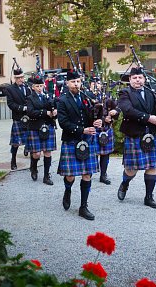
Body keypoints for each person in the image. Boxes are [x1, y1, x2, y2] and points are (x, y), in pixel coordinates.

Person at [116, 67, 156, 208]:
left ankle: (148, 197)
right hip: (134, 134)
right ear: (130, 80)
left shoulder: (152, 92)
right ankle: (125, 183)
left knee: (152, 166)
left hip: (150, 134)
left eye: (140, 77)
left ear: (144, 79)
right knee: (131, 169)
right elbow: (128, 110)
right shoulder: (125, 93)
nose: (138, 80)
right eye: (134, 78)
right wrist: (148, 118)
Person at [57, 71, 103, 220]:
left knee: (87, 174)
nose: (76, 84)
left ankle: (83, 207)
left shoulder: (86, 96)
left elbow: (93, 114)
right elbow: (63, 122)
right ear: (67, 83)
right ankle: (68, 190)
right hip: (72, 139)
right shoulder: (62, 100)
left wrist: (97, 121)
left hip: (87, 139)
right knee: (70, 175)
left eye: (78, 81)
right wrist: (81, 129)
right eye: (73, 82)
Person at [86, 77, 121, 185]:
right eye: (93, 83)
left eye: (98, 83)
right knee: (93, 153)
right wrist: (102, 119)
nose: (96, 85)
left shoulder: (108, 96)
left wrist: (114, 113)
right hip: (94, 129)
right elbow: (87, 113)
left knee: (105, 154)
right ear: (90, 85)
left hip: (106, 129)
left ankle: (103, 175)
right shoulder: (87, 96)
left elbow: (117, 108)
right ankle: (90, 172)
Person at [26, 74, 57, 185]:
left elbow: (53, 109)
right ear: (33, 87)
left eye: (41, 86)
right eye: (37, 86)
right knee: (37, 154)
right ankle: (33, 168)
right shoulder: (30, 98)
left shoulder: (48, 96)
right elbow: (30, 112)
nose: (40, 88)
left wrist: (54, 112)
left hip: (48, 127)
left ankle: (46, 176)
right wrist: (45, 112)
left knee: (47, 152)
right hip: (35, 127)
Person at [5, 68, 31, 171]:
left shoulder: (28, 87)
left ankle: (32, 164)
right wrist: (22, 108)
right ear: (15, 78)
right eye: (19, 78)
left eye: (22, 77)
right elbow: (10, 104)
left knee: (30, 140)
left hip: (29, 118)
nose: (21, 79)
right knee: (15, 143)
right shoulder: (10, 89)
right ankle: (13, 160)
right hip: (18, 118)